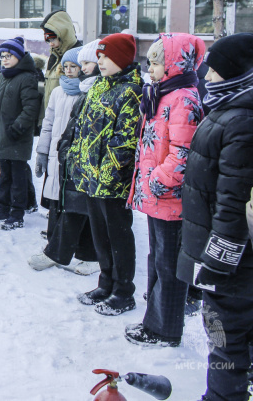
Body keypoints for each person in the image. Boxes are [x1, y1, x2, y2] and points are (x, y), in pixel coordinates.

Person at [175, 33, 253, 401]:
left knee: (226, 339)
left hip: (232, 264)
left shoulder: (241, 120)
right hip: (221, 253)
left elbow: (234, 199)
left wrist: (218, 262)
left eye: (216, 71)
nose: (207, 76)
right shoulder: (227, 109)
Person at [122, 33, 205, 347]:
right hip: (157, 196)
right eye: (150, 62)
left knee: (169, 266)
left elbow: (183, 152)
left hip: (169, 196)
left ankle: (164, 330)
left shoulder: (183, 98)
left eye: (157, 63)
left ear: (174, 64)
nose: (151, 69)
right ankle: (153, 322)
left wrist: (158, 180)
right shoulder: (163, 94)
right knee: (158, 259)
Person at [69, 33, 142, 316]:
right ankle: (106, 282)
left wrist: (109, 173)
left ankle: (124, 291)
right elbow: (82, 129)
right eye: (98, 57)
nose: (100, 61)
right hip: (91, 177)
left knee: (118, 236)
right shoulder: (98, 86)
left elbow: (126, 141)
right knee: (100, 236)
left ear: (122, 59)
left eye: (105, 57)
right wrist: (78, 161)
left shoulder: (131, 91)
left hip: (113, 181)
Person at [29, 41, 100, 275]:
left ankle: (85, 254)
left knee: (77, 207)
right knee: (57, 205)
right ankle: (55, 246)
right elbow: (48, 124)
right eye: (65, 66)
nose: (69, 70)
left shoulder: (87, 91)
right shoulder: (58, 91)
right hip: (56, 157)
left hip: (77, 159)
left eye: (74, 66)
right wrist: (41, 151)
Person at [0, 38, 41, 230]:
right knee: (4, 175)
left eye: (9, 56)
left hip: (17, 137)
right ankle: (2, 208)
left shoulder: (26, 77)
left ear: (18, 56)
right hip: (2, 134)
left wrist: (17, 127)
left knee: (18, 178)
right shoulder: (3, 76)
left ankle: (17, 213)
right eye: (2, 56)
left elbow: (31, 107)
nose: (5, 60)